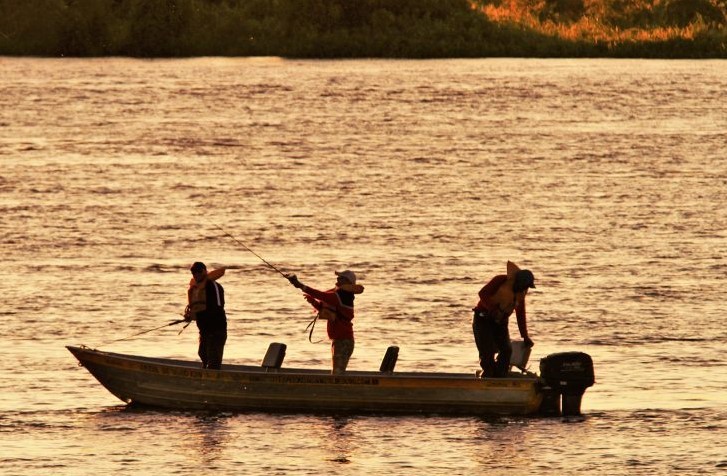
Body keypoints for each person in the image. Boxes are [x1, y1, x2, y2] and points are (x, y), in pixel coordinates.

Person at [287, 270, 364, 374]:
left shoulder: (342, 296)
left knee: (337, 374)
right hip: (339, 340)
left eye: (341, 278)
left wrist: (300, 285)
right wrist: (313, 302)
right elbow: (326, 309)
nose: (337, 279)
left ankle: (338, 390)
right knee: (337, 373)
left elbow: (321, 295)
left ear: (347, 281)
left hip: (343, 341)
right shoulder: (339, 295)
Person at [472, 261, 536, 378]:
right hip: (483, 318)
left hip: (500, 322)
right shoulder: (500, 280)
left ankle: (500, 376)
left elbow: (520, 313)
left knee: (506, 350)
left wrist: (525, 336)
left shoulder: (521, 293)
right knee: (487, 353)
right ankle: (488, 375)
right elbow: (482, 293)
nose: (526, 289)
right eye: (525, 286)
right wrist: (492, 308)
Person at [184, 261, 227, 370]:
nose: (196, 274)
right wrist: (190, 316)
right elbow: (196, 308)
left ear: (205, 271)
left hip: (217, 331)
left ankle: (213, 382)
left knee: (213, 362)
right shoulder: (196, 289)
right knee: (202, 354)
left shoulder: (214, 286)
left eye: (199, 271)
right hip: (204, 331)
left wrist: (198, 316)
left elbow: (217, 309)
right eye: (193, 272)